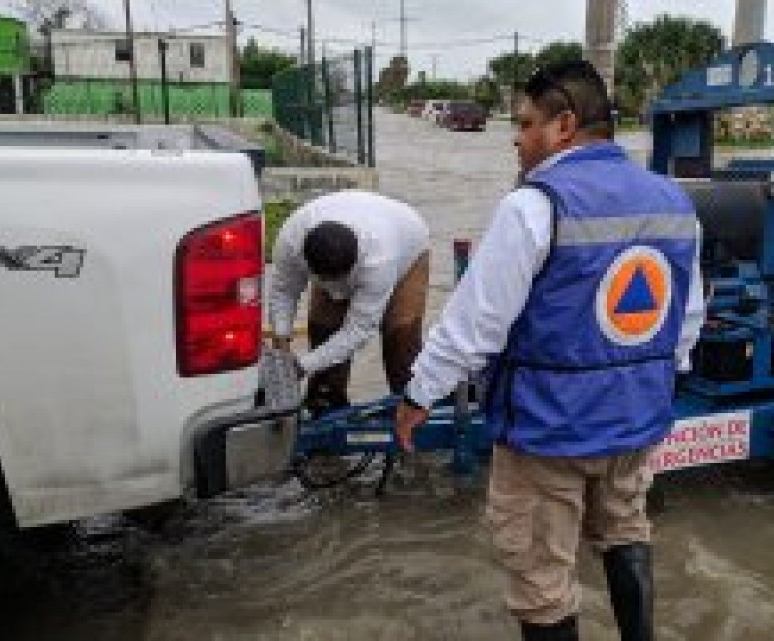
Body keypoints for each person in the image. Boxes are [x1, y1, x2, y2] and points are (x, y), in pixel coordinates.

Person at [395, 61, 704, 641]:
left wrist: (419, 392)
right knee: (627, 527)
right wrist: (655, 383)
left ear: (563, 125)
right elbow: (685, 318)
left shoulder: (535, 205)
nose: (516, 136)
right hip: (635, 421)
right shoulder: (675, 202)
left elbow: (475, 324)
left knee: (541, 577)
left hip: (548, 429)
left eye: (526, 122)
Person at [268, 190, 430, 415]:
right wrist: (282, 346)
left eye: (337, 281)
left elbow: (358, 331)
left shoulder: (379, 260)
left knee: (400, 339)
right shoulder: (290, 242)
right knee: (324, 329)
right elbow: (283, 291)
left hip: (408, 244)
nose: (335, 293)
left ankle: (410, 415)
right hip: (352, 234)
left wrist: (302, 366)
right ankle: (325, 408)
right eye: (323, 281)